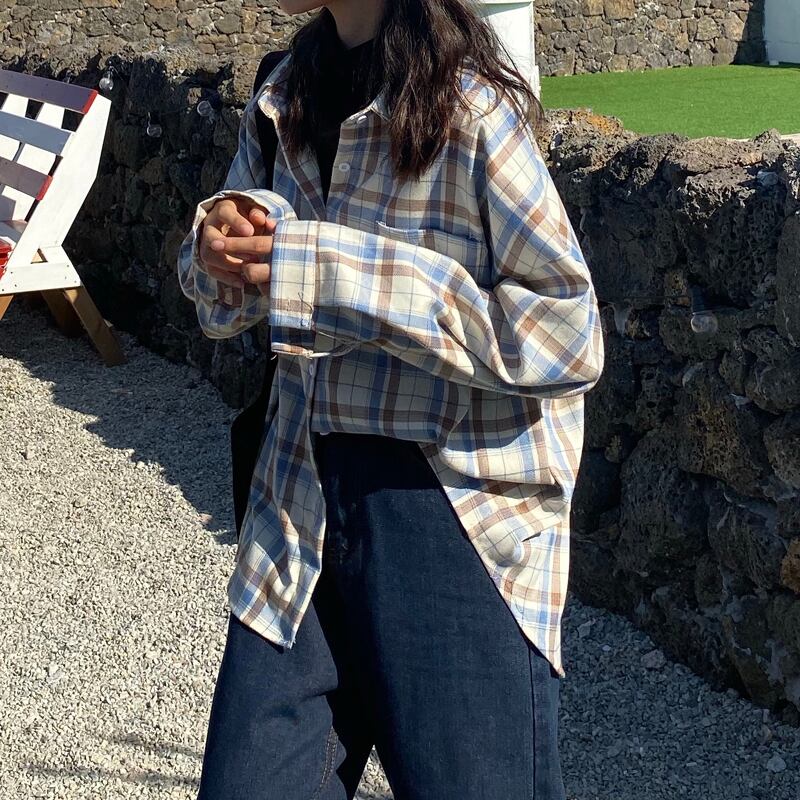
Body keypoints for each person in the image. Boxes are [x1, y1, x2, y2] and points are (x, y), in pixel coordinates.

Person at [176, 0, 605, 797]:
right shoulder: (282, 91)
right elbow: (218, 299)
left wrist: (329, 271)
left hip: (450, 518)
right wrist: (217, 250)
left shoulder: (472, 107)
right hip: (296, 506)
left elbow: (566, 334)